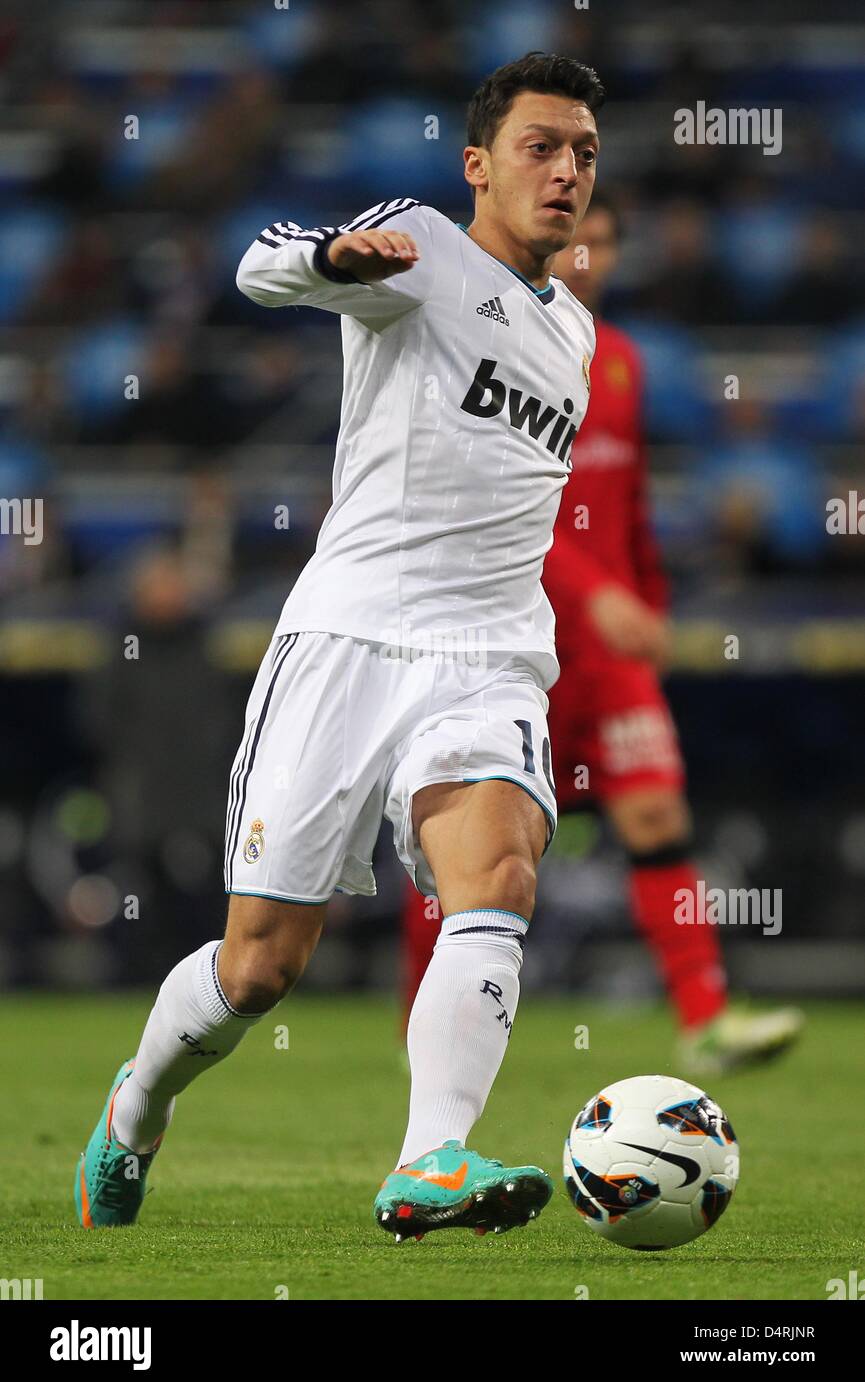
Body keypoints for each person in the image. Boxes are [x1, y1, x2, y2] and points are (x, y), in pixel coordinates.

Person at [75, 52, 605, 1242]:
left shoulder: (572, 329)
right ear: (479, 164)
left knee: (499, 876)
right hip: (348, 640)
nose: (565, 170)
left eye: (582, 152)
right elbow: (261, 262)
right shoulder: (417, 243)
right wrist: (329, 259)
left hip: (488, 653)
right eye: (540, 146)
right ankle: (136, 1106)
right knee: (260, 966)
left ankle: (430, 1158)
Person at [401, 193, 804, 1077]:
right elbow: (501, 508)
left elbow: (625, 503)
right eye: (579, 238)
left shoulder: (617, 360)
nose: (591, 255)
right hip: (511, 630)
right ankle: (419, 1013)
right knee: (460, 835)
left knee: (657, 810)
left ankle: (705, 1015)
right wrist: (594, 598)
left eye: (607, 241)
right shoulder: (493, 346)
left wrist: (646, 598)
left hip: (607, 650)